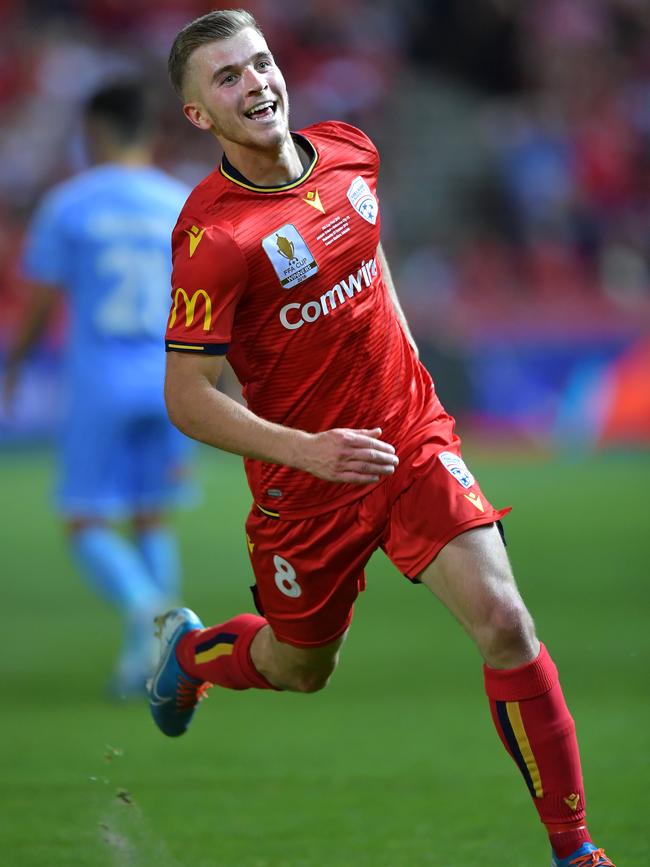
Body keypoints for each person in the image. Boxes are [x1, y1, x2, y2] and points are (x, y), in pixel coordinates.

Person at [147, 10, 615, 867]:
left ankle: (575, 849)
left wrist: (409, 366)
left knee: (507, 623)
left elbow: (370, 256)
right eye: (227, 78)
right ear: (199, 116)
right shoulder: (211, 238)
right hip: (307, 485)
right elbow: (185, 397)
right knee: (299, 666)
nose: (255, 83)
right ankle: (190, 652)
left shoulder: (350, 150)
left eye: (259, 64)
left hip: (408, 438)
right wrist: (306, 449)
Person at [3, 79, 195, 698]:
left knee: (86, 520)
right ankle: (149, 657)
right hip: (173, 380)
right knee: (151, 515)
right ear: (154, 130)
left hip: (100, 381)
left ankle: (147, 610)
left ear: (94, 131)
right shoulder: (182, 202)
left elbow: (39, 299)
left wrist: (15, 365)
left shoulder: (70, 204)